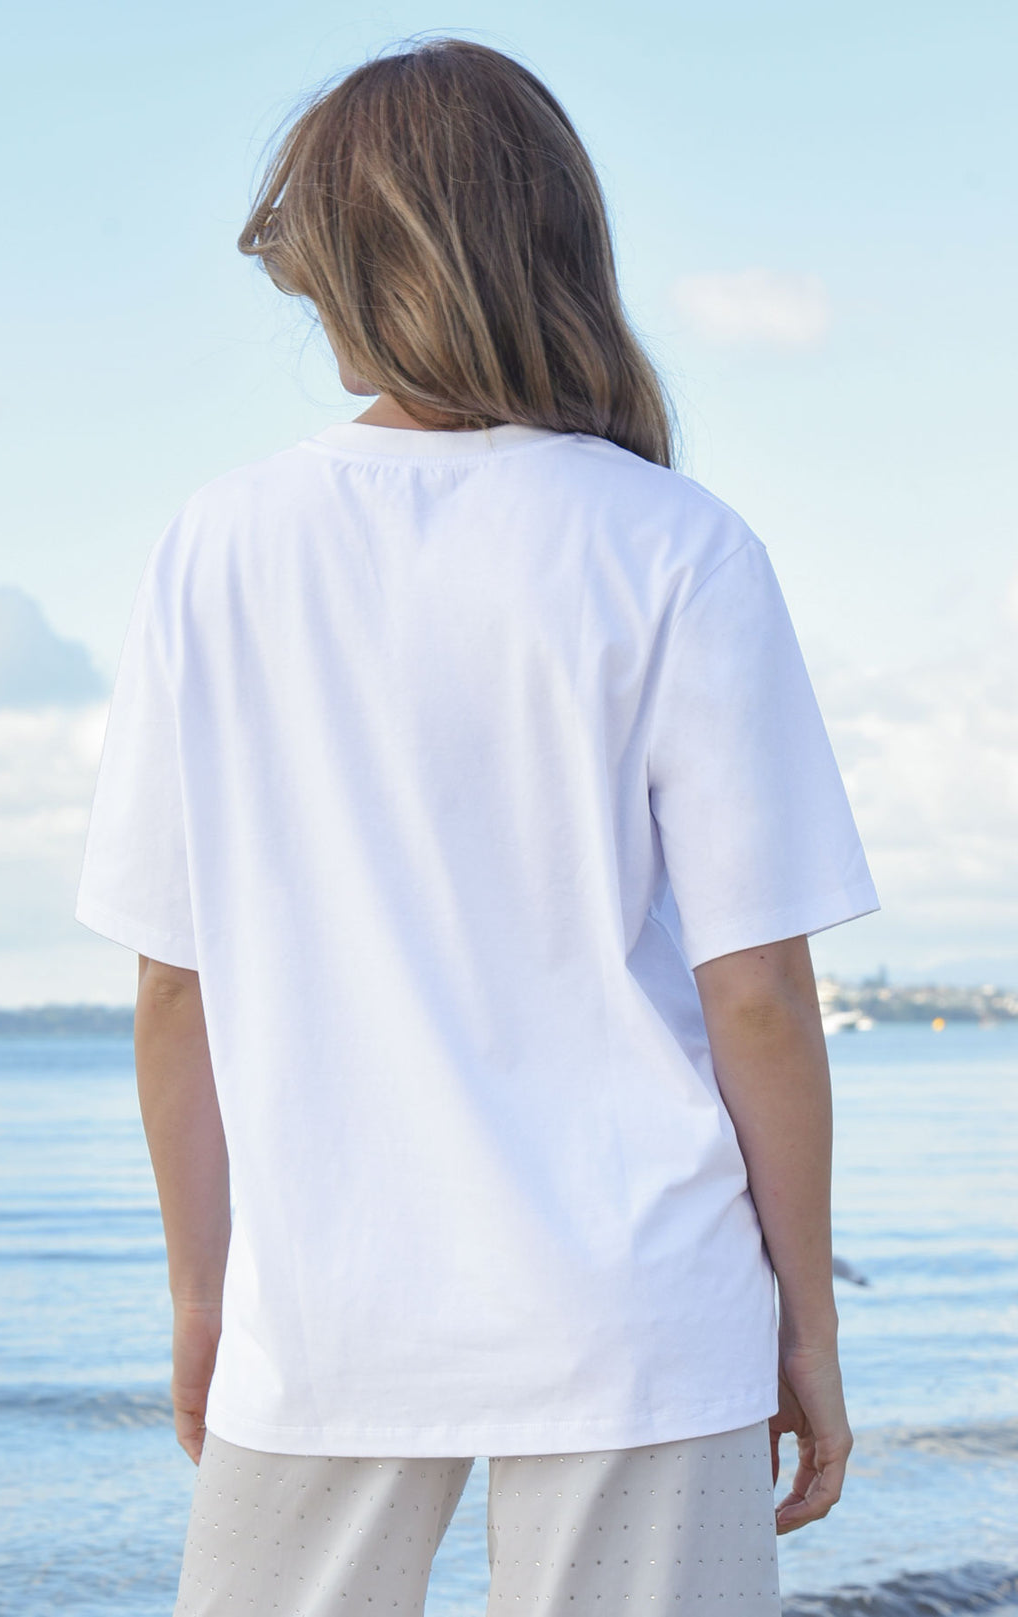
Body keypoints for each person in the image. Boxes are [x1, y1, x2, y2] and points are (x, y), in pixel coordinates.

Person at [74, 38, 880, 1617]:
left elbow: (179, 987)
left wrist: (201, 1298)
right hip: (638, 1304)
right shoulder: (679, 546)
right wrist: (808, 1324)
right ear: (560, 242)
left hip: (321, 1307)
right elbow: (760, 995)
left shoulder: (217, 548)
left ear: (338, 272)